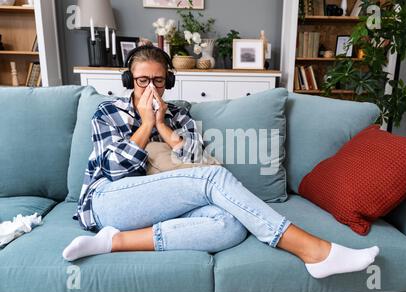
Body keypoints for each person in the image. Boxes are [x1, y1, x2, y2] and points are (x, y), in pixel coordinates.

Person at [63, 45, 379, 279]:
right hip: (109, 202)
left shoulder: (180, 116)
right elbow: (116, 171)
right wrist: (145, 125)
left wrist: (163, 126)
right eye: (142, 81)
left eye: (158, 81)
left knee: (230, 224)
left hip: (166, 204)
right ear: (129, 80)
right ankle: (313, 250)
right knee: (214, 177)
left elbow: (194, 161)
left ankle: (114, 242)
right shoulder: (107, 113)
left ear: (168, 82)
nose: (151, 89)